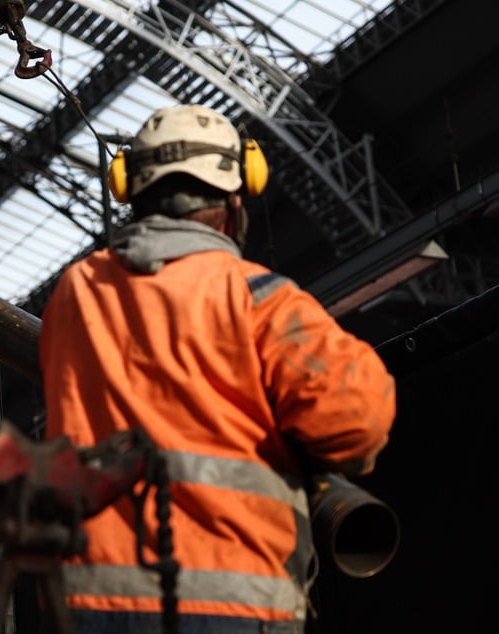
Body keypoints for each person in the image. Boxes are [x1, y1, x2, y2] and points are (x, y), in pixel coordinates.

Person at [39, 104, 396, 633]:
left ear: (130, 190)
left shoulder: (76, 292)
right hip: (235, 601)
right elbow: (354, 424)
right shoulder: (259, 297)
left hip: (88, 605)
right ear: (236, 202)